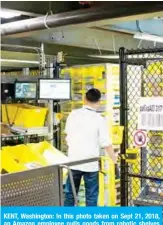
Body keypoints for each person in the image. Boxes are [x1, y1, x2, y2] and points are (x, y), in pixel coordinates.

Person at [64, 88, 117, 206]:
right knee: (91, 197)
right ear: (99, 102)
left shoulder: (73, 114)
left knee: (70, 194)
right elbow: (106, 143)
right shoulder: (99, 119)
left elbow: (67, 135)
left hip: (73, 161)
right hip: (90, 164)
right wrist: (114, 159)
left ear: (84, 99)